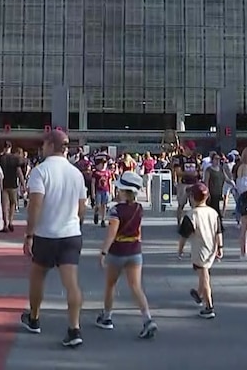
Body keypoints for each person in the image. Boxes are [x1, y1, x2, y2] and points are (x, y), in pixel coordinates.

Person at [21, 130, 87, 348]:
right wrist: (75, 222)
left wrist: (29, 234)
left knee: (38, 276)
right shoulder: (76, 173)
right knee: (72, 283)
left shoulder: (40, 172)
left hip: (46, 234)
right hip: (70, 234)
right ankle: (74, 327)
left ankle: (35, 318)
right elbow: (82, 208)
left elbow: (35, 205)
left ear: (49, 145)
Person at [95, 171, 157, 339]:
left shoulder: (115, 211)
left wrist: (103, 251)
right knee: (136, 286)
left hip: (118, 252)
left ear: (123, 190)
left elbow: (111, 233)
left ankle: (107, 317)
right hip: (135, 251)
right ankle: (147, 319)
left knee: (111, 284)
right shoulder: (139, 208)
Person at [177, 183, 222, 319]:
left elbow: (184, 236)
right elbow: (218, 231)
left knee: (204, 277)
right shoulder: (213, 213)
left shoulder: (191, 215)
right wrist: (220, 247)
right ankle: (198, 293)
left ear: (192, 198)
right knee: (205, 273)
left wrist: (180, 250)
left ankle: (209, 306)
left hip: (199, 248)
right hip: (211, 247)